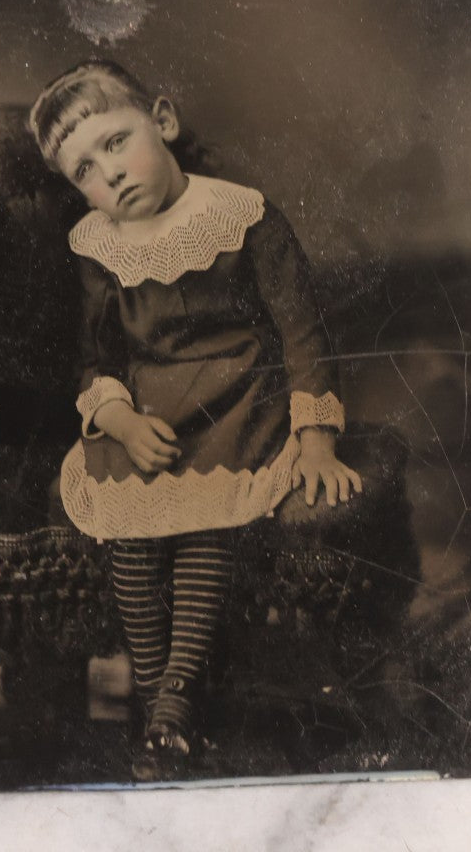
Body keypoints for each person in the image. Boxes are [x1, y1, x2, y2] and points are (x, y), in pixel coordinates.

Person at [29, 59, 362, 776]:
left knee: (206, 515)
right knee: (129, 522)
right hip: (149, 414)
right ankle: (161, 705)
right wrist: (117, 423)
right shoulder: (97, 246)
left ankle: (171, 697)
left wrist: (317, 441)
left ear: (165, 121)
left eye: (116, 143)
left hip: (239, 401)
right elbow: (97, 362)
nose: (108, 174)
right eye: (84, 168)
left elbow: (304, 333)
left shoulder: (245, 215)